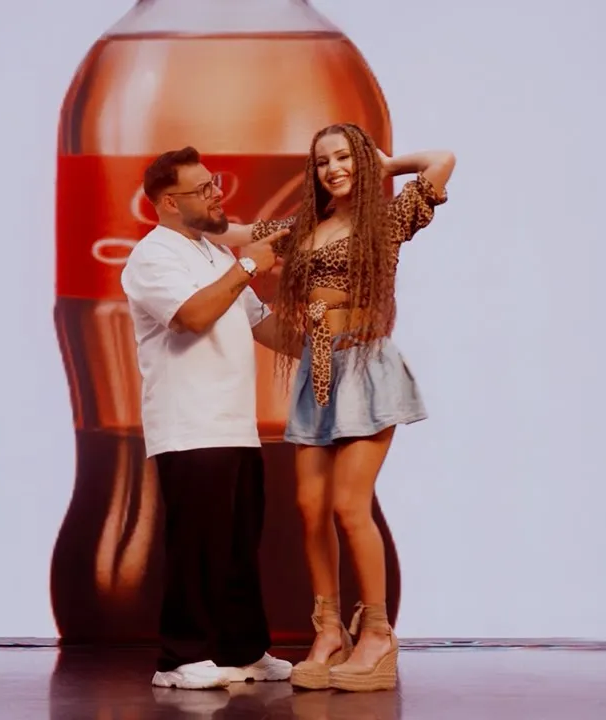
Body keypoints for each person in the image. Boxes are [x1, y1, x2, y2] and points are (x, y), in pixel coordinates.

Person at [217, 123, 455, 692]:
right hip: (317, 372)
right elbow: (238, 232)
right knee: (310, 507)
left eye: (345, 157)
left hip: (366, 365)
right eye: (323, 161)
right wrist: (189, 220)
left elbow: (442, 160)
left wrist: (385, 165)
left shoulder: (386, 220)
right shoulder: (302, 227)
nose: (334, 169)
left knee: (350, 505)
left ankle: (377, 634)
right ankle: (328, 631)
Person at [120, 146, 298, 690]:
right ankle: (179, 659)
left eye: (214, 182)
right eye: (203, 188)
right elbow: (192, 316)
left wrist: (335, 336)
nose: (217, 193)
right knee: (197, 546)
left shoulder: (215, 254)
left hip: (235, 425)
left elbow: (263, 326)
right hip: (188, 427)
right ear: (169, 202)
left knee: (239, 546)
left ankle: (243, 650)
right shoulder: (153, 256)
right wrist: (250, 266)